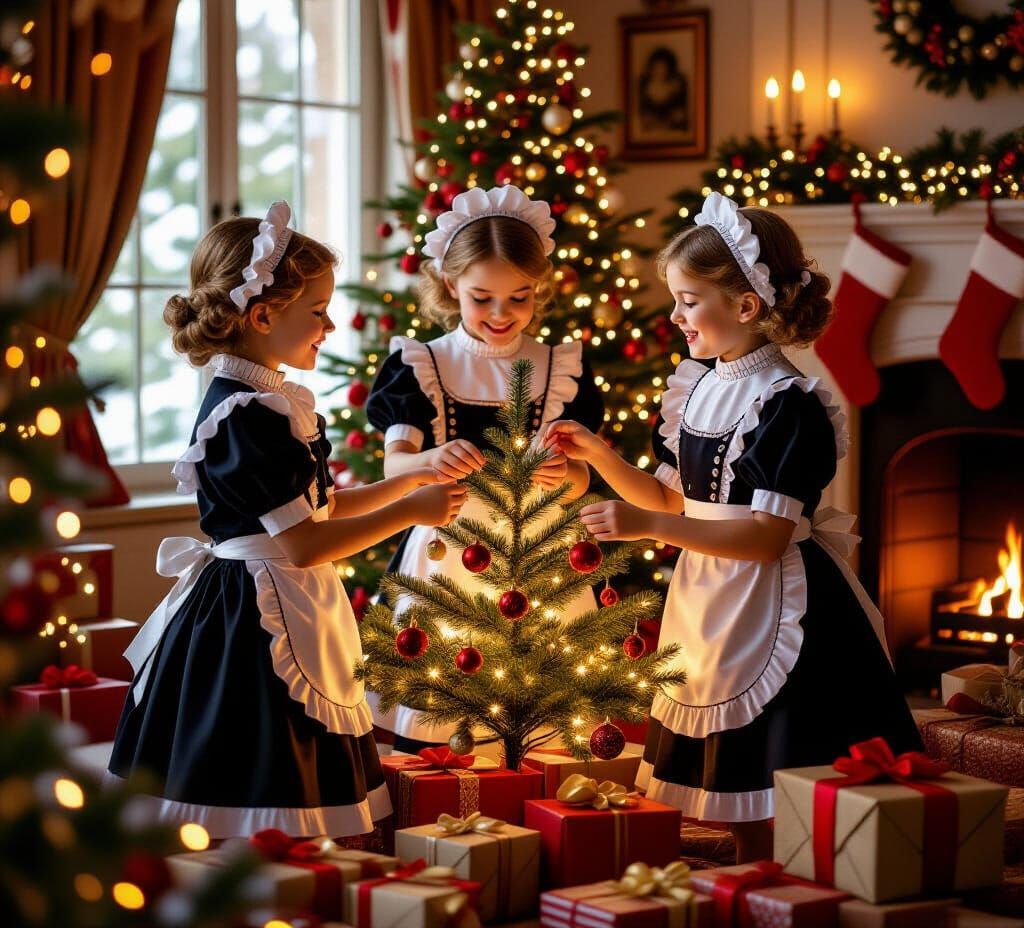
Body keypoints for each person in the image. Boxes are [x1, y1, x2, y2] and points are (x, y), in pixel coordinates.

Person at [545, 192, 920, 862]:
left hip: (775, 597)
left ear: (746, 307)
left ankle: (791, 867)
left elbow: (765, 538)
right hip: (709, 590)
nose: (675, 316)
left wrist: (646, 525)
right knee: (727, 754)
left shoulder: (787, 404)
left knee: (780, 755)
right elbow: (672, 498)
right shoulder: (697, 386)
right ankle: (752, 866)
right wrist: (600, 456)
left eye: (689, 301)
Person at [108, 201, 466, 837]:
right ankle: (265, 858)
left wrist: (406, 481)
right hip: (254, 609)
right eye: (318, 311)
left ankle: (291, 862)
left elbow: (322, 508)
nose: (329, 325)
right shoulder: (246, 413)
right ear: (263, 315)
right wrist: (410, 510)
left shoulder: (270, 400)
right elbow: (303, 544)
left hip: (287, 590)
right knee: (261, 750)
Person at [366, 185, 604, 752]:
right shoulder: (421, 364)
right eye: (482, 298)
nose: (501, 314)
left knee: (548, 719)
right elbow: (396, 462)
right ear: (451, 285)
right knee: (442, 712)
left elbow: (581, 478)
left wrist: (564, 476)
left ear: (539, 288)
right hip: (449, 556)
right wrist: (429, 460)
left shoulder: (561, 368)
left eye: (519, 298)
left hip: (543, 560)